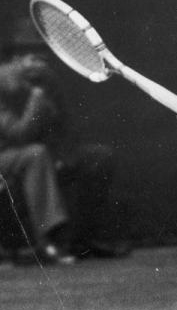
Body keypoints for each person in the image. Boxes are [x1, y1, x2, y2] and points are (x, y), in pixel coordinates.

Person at [0, 17, 126, 264]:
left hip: (39, 155)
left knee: (97, 158)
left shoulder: (45, 81)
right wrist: (37, 101)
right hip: (7, 156)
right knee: (35, 155)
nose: (41, 64)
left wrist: (62, 155)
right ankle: (47, 243)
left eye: (44, 58)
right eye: (33, 58)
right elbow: (17, 135)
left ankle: (84, 240)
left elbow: (65, 127)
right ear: (14, 60)